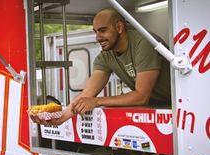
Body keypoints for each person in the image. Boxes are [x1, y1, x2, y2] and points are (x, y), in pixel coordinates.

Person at [32, 7, 171, 126]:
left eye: (103, 30)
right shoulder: (105, 55)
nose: (98, 37)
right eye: (95, 31)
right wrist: (61, 118)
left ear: (119, 27)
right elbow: (87, 94)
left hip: (180, 107)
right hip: (158, 110)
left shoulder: (143, 43)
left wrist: (97, 101)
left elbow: (141, 96)